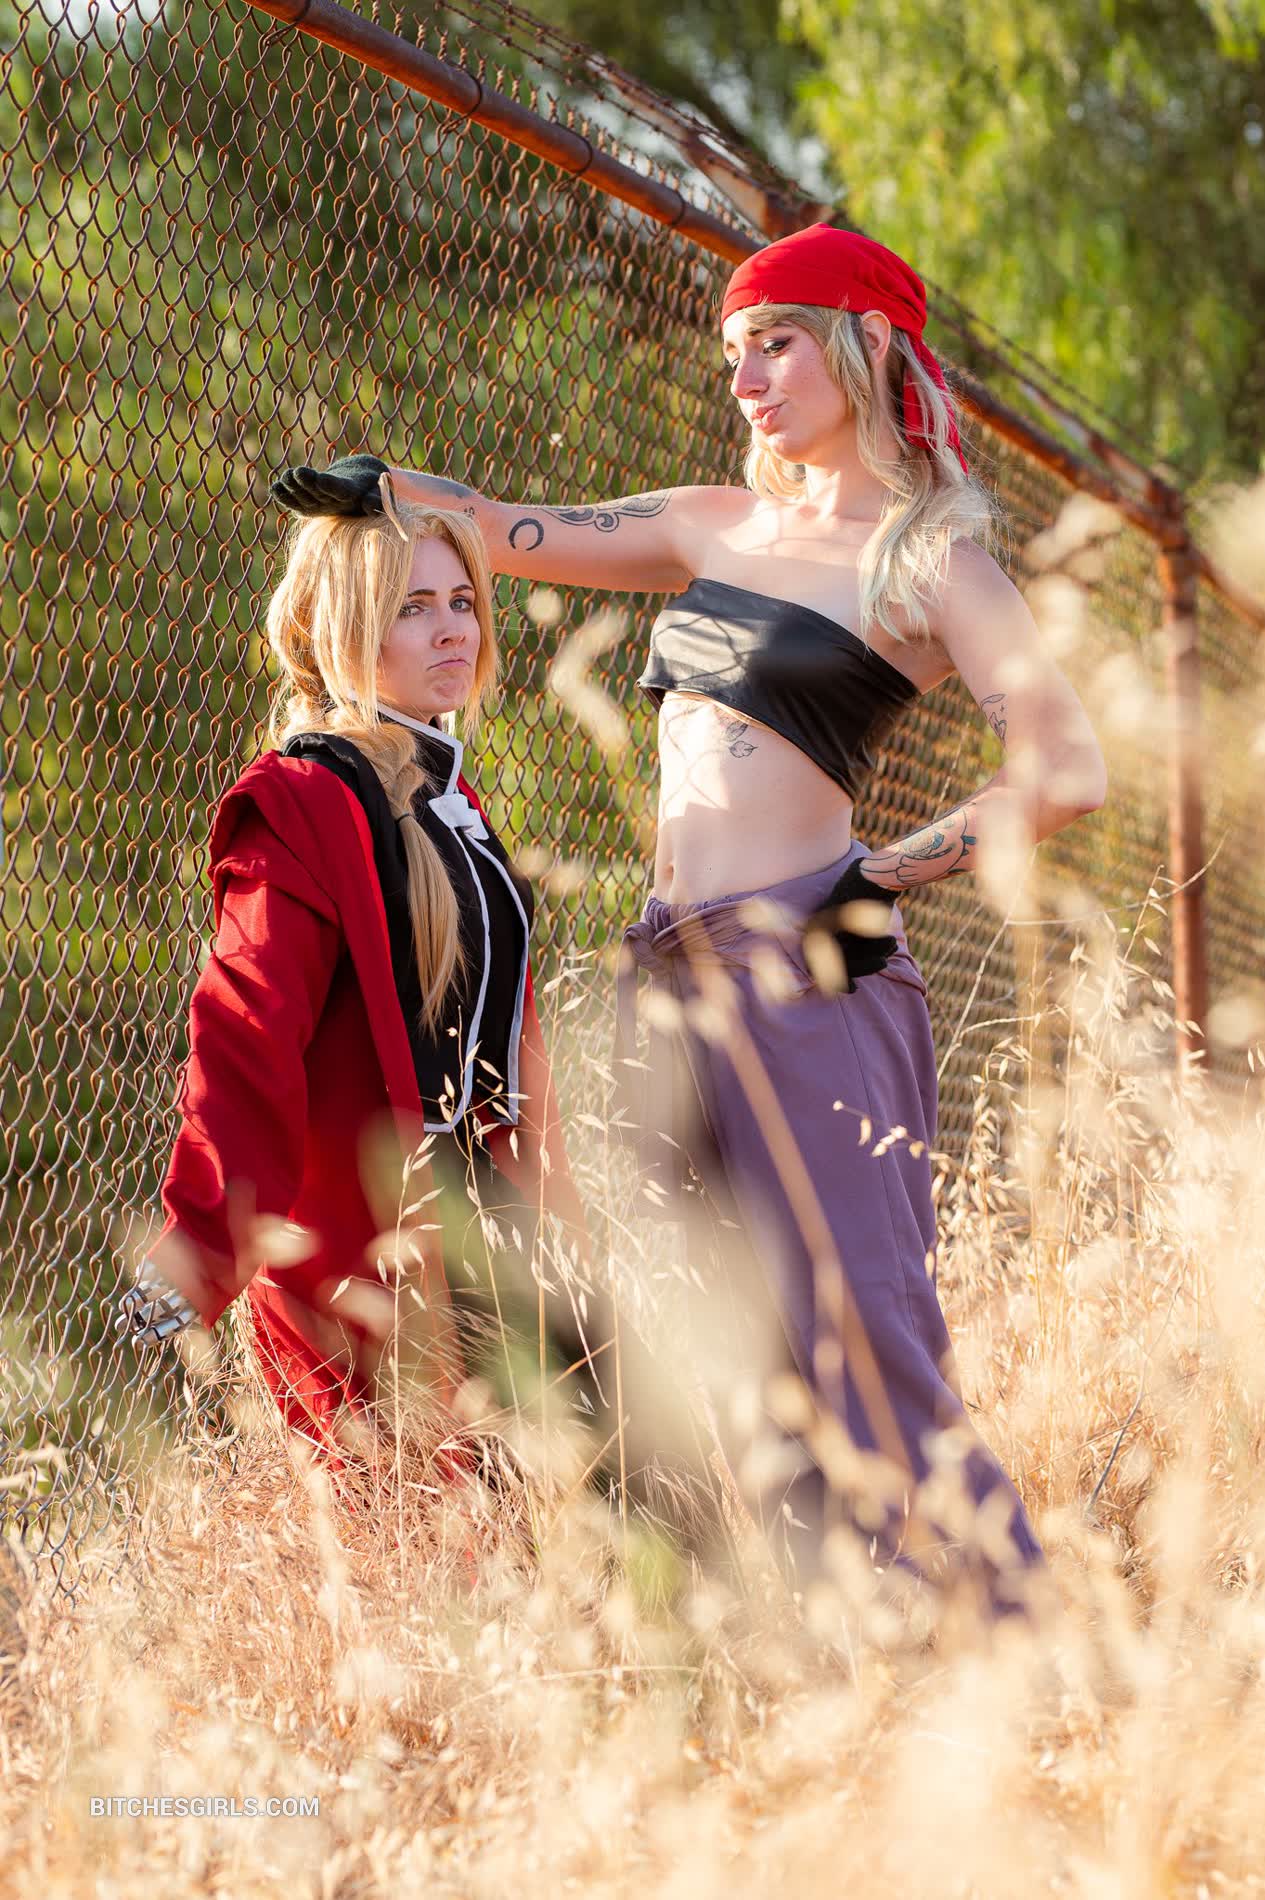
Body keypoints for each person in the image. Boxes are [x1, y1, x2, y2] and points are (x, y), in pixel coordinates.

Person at [271, 224, 1107, 1612]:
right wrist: (382, 488)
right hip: (665, 976)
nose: (746, 377)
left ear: (863, 343)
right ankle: (844, 1636)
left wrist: (880, 877)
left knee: (862, 1318)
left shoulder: (928, 560)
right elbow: (507, 526)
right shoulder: (712, 523)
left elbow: (1065, 767)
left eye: (776, 342)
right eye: (732, 354)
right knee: (733, 1328)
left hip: (810, 959)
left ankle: (1012, 1626)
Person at [116, 495, 681, 1528]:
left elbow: (508, 1041)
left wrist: (557, 1223)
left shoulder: (447, 799)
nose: (452, 627)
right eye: (412, 607)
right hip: (377, 1240)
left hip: (498, 1223)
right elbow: (244, 1027)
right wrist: (199, 1241)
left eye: (462, 600)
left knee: (631, 1502)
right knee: (444, 1538)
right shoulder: (301, 800)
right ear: (344, 628)